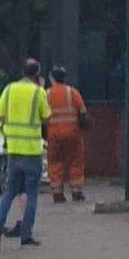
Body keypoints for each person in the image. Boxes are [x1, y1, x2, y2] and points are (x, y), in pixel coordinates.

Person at [0, 58, 51, 248]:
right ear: (37, 74)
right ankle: (26, 236)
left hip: (13, 149)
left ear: (22, 71)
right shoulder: (38, 92)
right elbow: (47, 116)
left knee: (9, 192)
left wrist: (5, 130)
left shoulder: (9, 89)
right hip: (31, 151)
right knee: (31, 194)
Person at [45, 65, 88, 203]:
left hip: (54, 134)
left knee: (55, 162)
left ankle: (57, 194)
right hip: (72, 133)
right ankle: (76, 192)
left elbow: (41, 114)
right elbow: (82, 112)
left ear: (51, 78)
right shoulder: (72, 92)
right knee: (75, 161)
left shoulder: (47, 94)